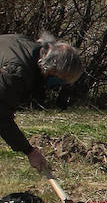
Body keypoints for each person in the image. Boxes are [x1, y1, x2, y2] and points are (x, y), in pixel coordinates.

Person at [0, 32, 82, 176]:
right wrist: (29, 150)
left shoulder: (26, 45)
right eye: (60, 80)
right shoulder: (16, 73)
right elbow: (2, 117)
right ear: (51, 70)